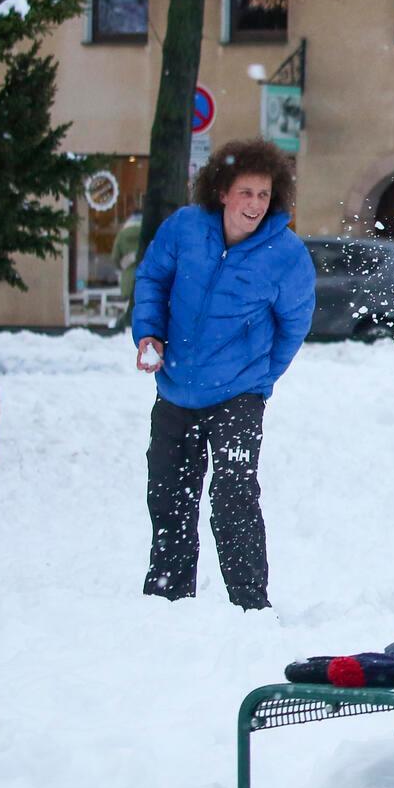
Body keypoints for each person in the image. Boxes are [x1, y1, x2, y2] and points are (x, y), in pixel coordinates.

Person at [130, 140, 316, 610]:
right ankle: (167, 598)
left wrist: (260, 379)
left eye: (264, 195)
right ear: (221, 192)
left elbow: (294, 324)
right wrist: (149, 333)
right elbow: (152, 279)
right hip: (175, 391)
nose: (255, 204)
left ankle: (249, 605)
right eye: (246, 192)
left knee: (234, 498)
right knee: (168, 495)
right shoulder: (185, 230)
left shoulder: (287, 255)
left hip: (238, 396)